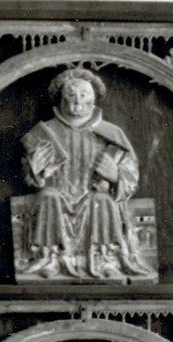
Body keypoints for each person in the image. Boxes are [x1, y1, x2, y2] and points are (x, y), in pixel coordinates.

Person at [19, 68, 153, 281]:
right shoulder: (44, 133)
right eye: (71, 94)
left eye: (84, 94)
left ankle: (105, 259)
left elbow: (130, 175)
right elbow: (29, 178)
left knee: (103, 201)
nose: (77, 100)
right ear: (61, 98)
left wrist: (115, 175)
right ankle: (50, 258)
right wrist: (36, 172)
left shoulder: (112, 133)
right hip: (59, 197)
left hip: (93, 198)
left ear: (94, 99)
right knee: (47, 197)